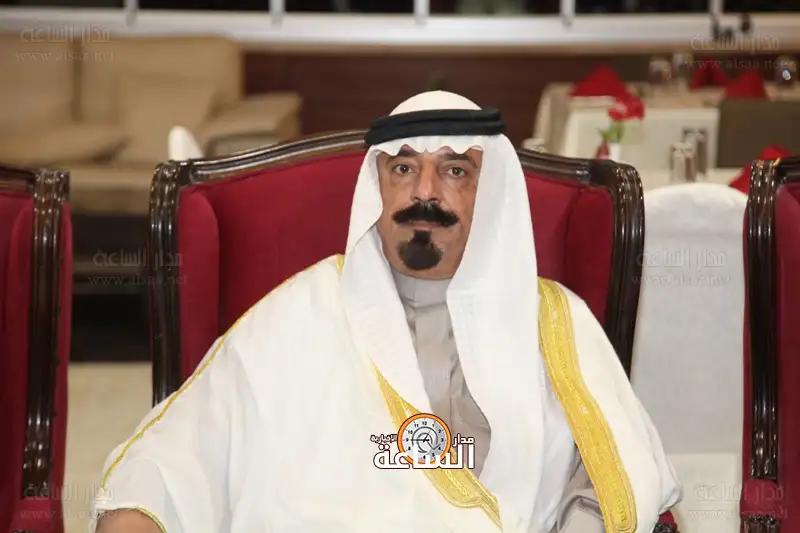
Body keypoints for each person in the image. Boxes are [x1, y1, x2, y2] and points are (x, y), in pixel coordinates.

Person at [92, 91, 681, 533]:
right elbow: (178, 453)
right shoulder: (302, 311)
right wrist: (139, 514)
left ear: (491, 194)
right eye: (403, 169)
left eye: (455, 171)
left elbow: (614, 473)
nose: (425, 192)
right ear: (377, 187)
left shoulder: (555, 324)